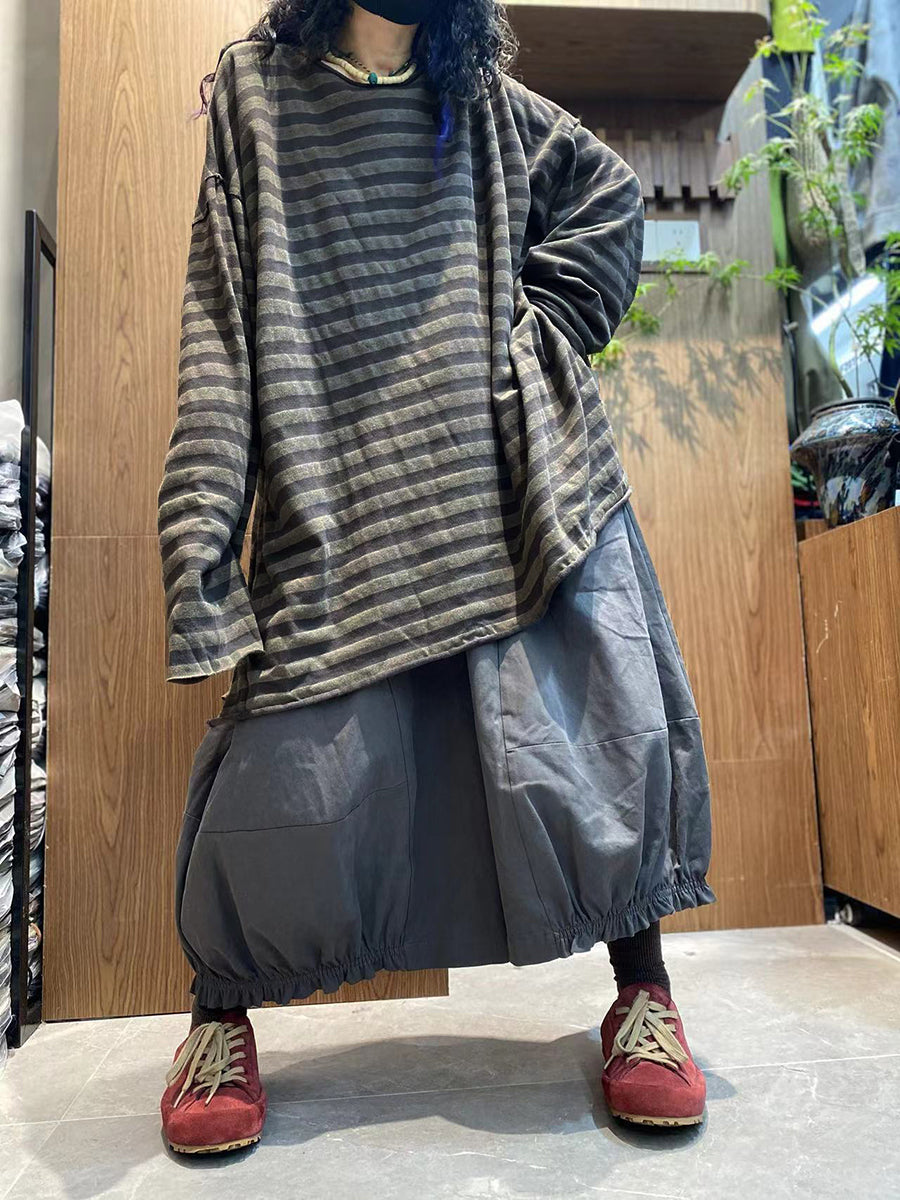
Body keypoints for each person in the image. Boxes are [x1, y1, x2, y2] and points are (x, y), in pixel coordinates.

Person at [155, 0, 716, 1155]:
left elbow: (609, 197)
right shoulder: (258, 94)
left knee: (594, 735)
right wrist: (201, 536)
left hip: (506, 477)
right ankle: (219, 1012)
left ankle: (644, 994)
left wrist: (536, 342)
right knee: (282, 777)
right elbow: (219, 329)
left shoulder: (480, 99)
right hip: (334, 484)